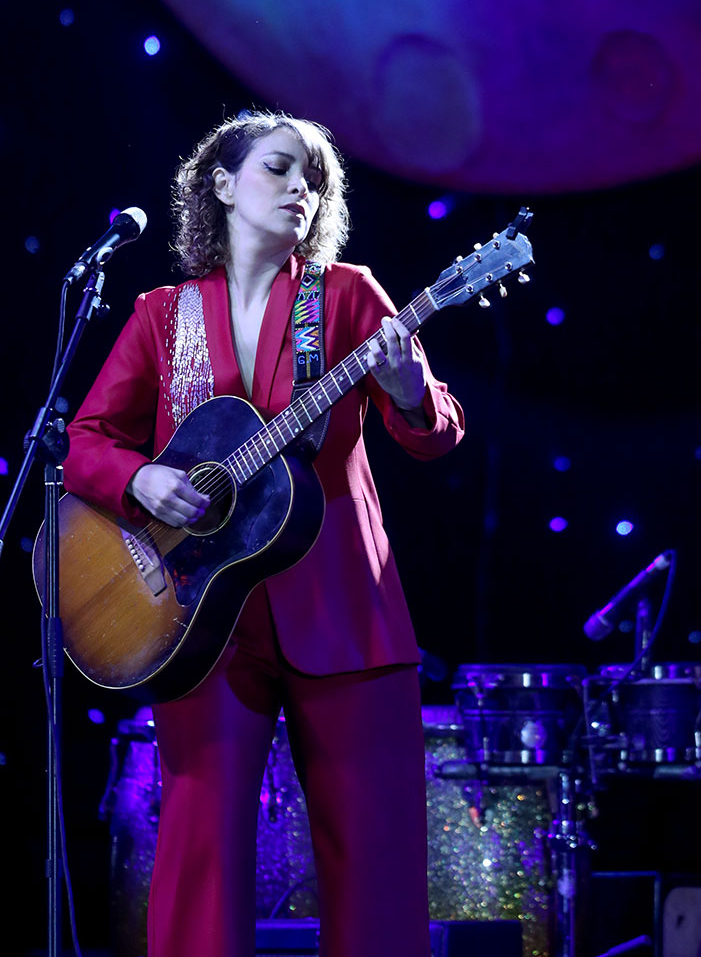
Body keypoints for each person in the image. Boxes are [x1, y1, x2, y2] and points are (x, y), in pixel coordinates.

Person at [62, 111, 464, 957]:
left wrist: (406, 383)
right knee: (199, 861)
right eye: (281, 169)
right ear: (221, 183)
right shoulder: (160, 315)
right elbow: (87, 442)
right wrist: (141, 478)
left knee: (377, 866)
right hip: (196, 616)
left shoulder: (347, 294)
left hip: (346, 609)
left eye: (315, 179)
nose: (301, 190)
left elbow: (438, 433)